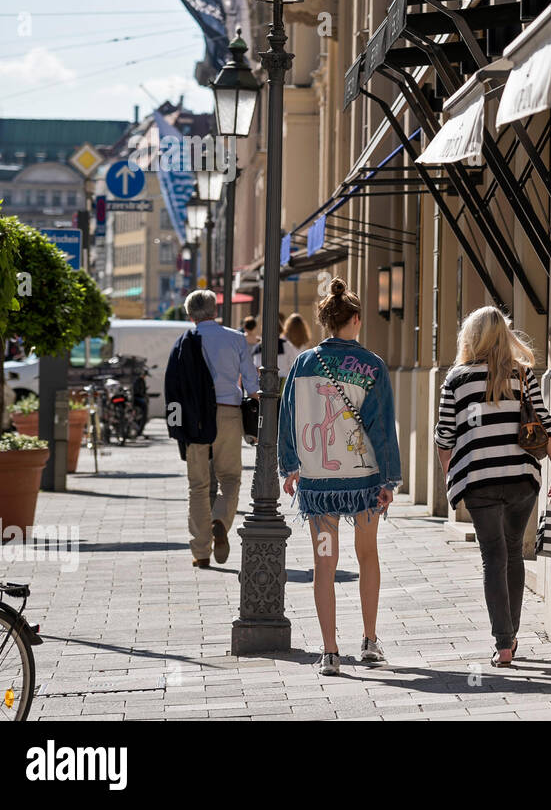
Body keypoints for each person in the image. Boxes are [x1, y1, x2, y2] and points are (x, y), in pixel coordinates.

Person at [279, 278, 400, 676]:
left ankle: (330, 652)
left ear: (327, 321)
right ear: (356, 320)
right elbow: (382, 427)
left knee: (324, 562)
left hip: (320, 484)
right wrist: (390, 479)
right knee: (368, 555)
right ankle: (369, 640)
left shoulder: (303, 363)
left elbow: (288, 418)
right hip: (363, 480)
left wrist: (290, 465)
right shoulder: (372, 365)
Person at [435, 306, 551, 668]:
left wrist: (453, 476)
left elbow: (445, 436)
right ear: (504, 336)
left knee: (492, 556)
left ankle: (503, 643)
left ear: (471, 336)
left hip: (479, 482)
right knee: (512, 551)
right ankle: (511, 635)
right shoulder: (523, 375)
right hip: (522, 479)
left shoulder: (457, 380)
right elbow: (543, 425)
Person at [168, 289, 258, 568]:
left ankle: (201, 551)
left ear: (188, 314)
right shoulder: (235, 338)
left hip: (195, 420)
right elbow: (252, 384)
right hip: (228, 414)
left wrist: (177, 427)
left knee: (197, 485)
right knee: (230, 477)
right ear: (215, 311)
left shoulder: (183, 343)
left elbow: (173, 388)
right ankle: (220, 519)